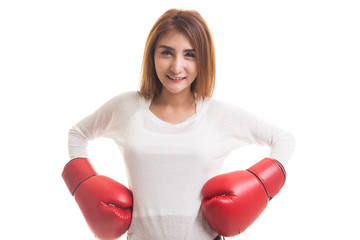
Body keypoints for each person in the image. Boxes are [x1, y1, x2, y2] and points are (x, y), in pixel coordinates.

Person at [62, 8, 296, 240]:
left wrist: (257, 189)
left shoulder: (217, 114)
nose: (176, 67)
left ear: (203, 60)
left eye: (190, 54)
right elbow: (78, 133)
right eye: (166, 53)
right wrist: (84, 186)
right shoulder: (127, 108)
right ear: (152, 54)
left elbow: (283, 140)